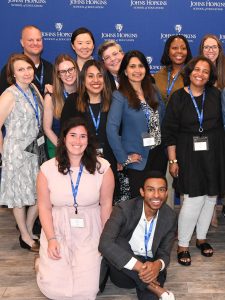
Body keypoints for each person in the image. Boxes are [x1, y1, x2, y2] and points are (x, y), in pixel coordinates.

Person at [36, 116, 114, 300]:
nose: (77, 141)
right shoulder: (47, 169)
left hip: (90, 228)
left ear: (88, 140)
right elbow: (44, 207)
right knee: (55, 291)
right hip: (58, 227)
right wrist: (51, 239)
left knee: (86, 291)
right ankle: (42, 263)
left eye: (82, 136)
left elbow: (106, 206)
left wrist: (105, 240)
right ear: (64, 138)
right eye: (72, 135)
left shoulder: (103, 168)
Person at [162, 56, 225, 266]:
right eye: (197, 69)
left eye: (205, 71)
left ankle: (201, 238)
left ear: (210, 76)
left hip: (213, 153)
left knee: (210, 198)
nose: (200, 74)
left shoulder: (216, 94)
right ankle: (182, 244)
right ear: (189, 72)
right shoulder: (178, 97)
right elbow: (169, 133)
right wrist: (173, 161)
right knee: (192, 199)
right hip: (188, 154)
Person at [99, 171, 177, 300]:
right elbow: (104, 244)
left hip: (151, 270)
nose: (157, 195)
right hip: (123, 272)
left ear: (166, 192)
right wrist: (140, 267)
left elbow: (164, 252)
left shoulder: (170, 216)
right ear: (142, 192)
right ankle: (155, 288)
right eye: (151, 190)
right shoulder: (123, 209)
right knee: (117, 241)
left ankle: (151, 287)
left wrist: (158, 265)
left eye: (161, 190)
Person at [0, 53, 47, 252]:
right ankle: (26, 236)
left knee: (40, 194)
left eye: (28, 68)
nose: (26, 72)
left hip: (36, 151)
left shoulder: (34, 89)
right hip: (16, 154)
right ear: (13, 74)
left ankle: (26, 229)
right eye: (20, 69)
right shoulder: (9, 94)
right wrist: (4, 153)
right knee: (18, 196)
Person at [106, 50, 166, 199]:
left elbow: (162, 117)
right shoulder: (120, 95)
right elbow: (111, 129)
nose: (137, 70)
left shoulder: (153, 91)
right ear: (125, 71)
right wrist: (123, 158)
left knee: (156, 200)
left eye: (141, 66)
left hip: (158, 155)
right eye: (132, 66)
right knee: (138, 204)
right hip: (138, 159)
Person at [61, 59, 115, 167]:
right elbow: (64, 133)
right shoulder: (72, 101)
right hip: (79, 159)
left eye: (100, 76)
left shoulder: (113, 101)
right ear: (83, 79)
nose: (96, 80)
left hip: (110, 160)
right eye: (90, 76)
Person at [199, 33, 225, 225]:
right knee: (208, 170)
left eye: (214, 47)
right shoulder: (198, 71)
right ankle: (210, 213)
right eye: (206, 47)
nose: (210, 50)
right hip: (207, 131)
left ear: (219, 49)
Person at [0, 25, 53, 96]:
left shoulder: (51, 68)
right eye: (30, 40)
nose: (35, 43)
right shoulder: (10, 69)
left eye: (38, 40)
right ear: (22, 42)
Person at [43, 54, 78, 158]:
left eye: (71, 69)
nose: (68, 74)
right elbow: (47, 128)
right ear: (58, 75)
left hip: (80, 147)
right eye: (63, 71)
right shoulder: (51, 97)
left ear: (76, 70)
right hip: (58, 148)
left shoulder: (84, 93)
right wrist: (63, 148)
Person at [154, 35, 192, 104]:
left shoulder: (192, 75)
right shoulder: (158, 76)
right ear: (168, 51)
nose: (179, 51)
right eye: (175, 48)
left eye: (183, 48)